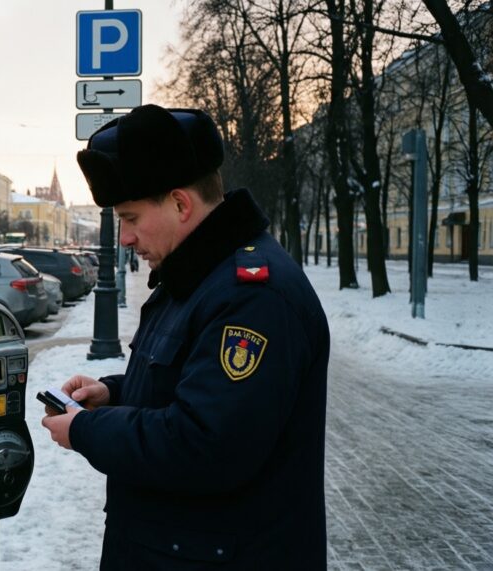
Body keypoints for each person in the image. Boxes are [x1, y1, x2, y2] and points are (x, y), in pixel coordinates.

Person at [40, 104, 329, 570]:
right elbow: (191, 381)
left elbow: (207, 444)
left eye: (131, 218)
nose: (126, 238)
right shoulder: (197, 275)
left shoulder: (253, 296)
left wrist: (86, 430)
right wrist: (115, 393)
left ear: (180, 204)